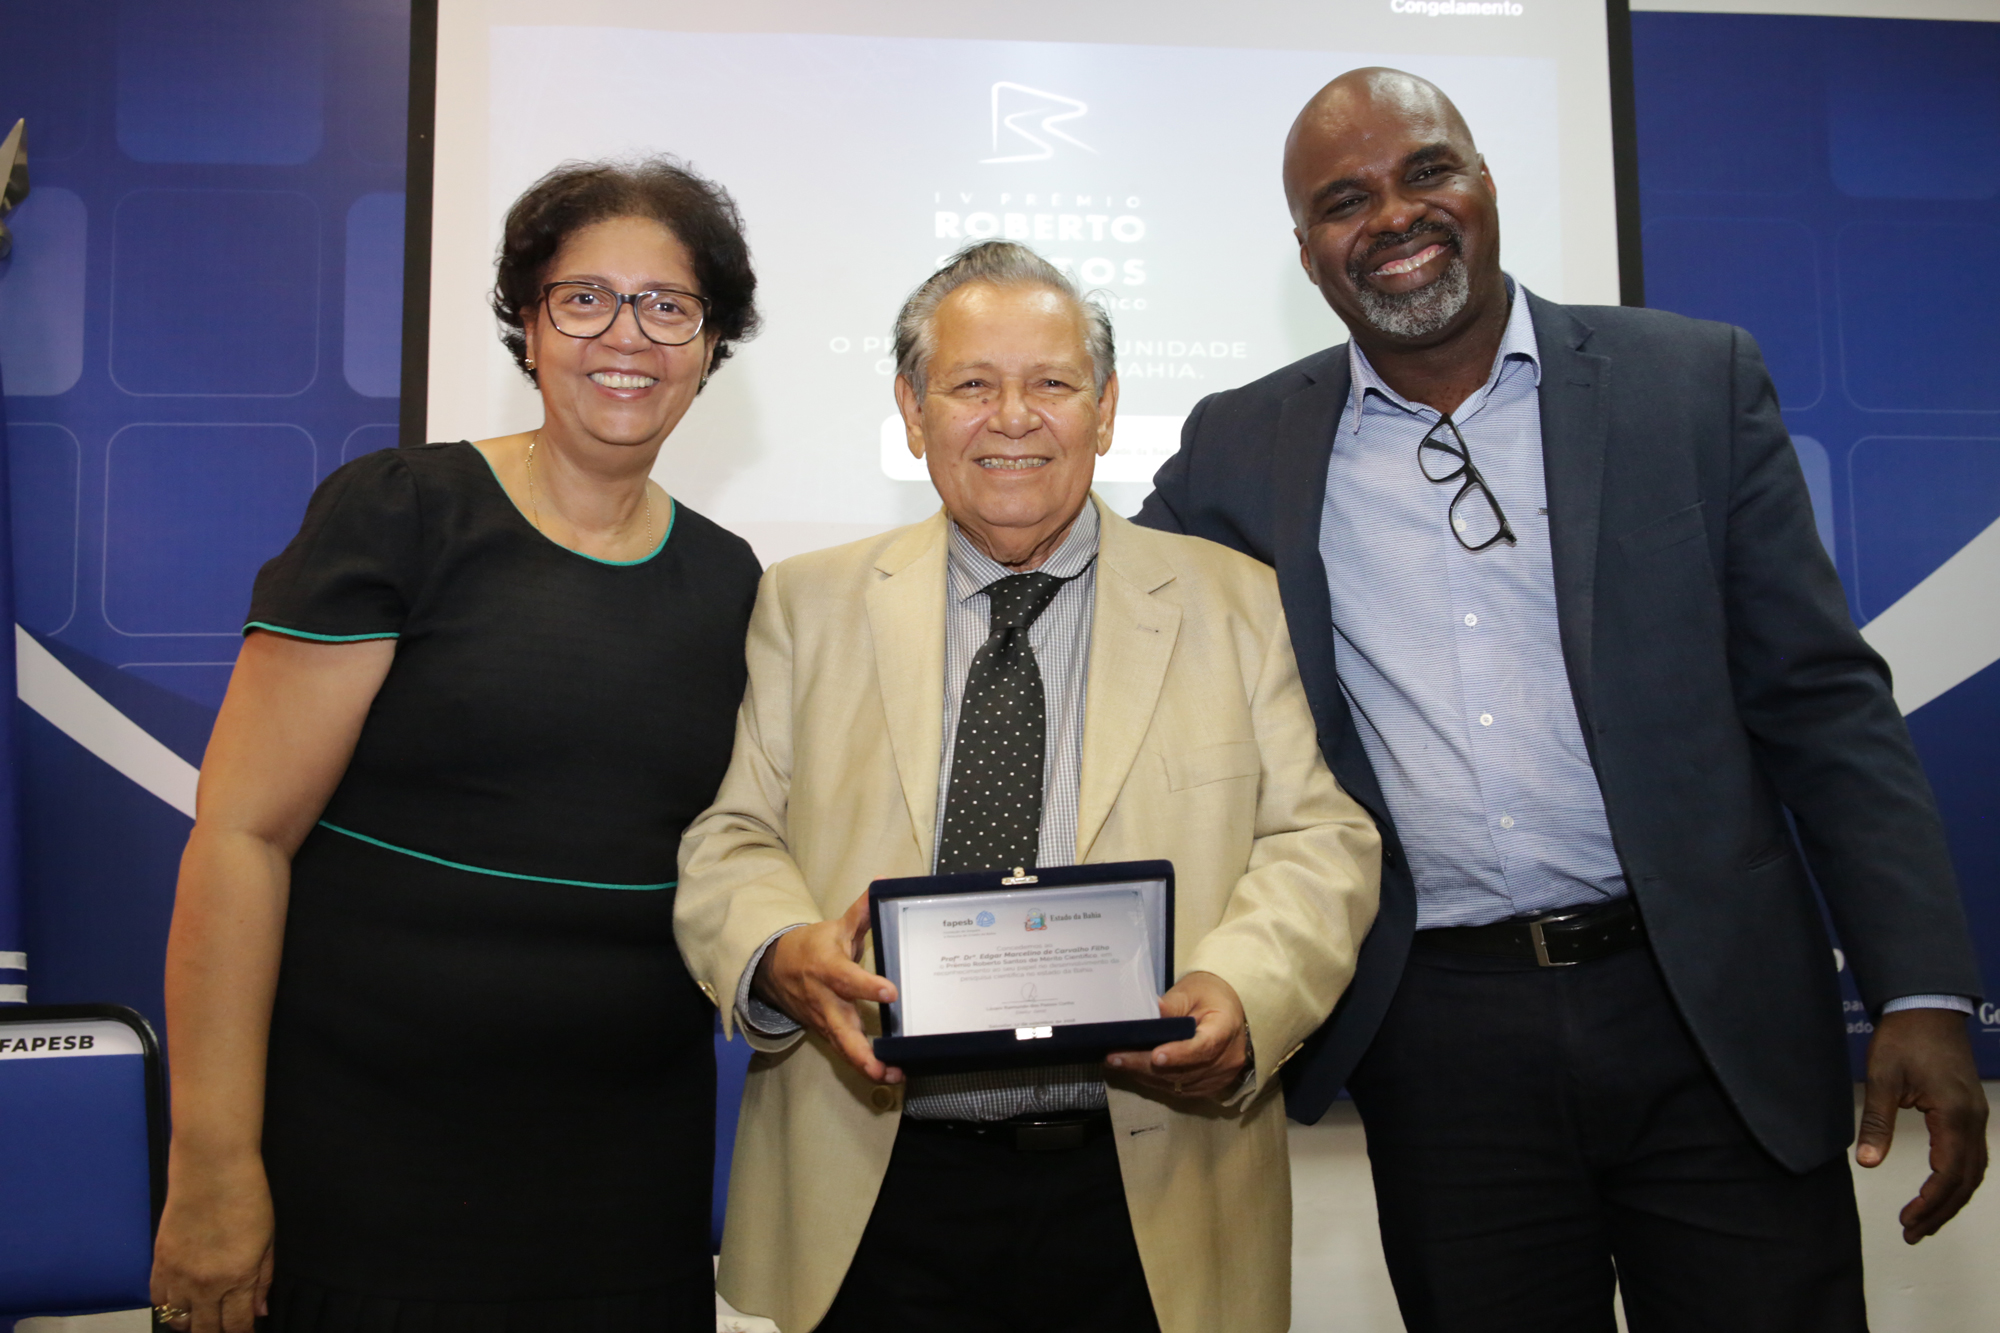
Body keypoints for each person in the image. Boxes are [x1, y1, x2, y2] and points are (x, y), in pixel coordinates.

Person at [1135, 68, 1988, 1332]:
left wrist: (1916, 987)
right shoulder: (1238, 445)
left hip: (1707, 1013)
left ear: (1484, 183)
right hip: (1440, 1037)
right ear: (1306, 253)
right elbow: (1118, 622)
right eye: (1343, 201)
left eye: (1426, 171)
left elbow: (1822, 704)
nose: (1393, 215)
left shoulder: (1687, 382)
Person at [672, 240, 1380, 1333]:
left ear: (1106, 410)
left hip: (1152, 1186)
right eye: (970, 384)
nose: (1013, 418)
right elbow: (732, 836)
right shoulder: (806, 603)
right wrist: (777, 949)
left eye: (1051, 382)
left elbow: (1318, 839)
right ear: (911, 412)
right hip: (876, 1186)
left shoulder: (1239, 603)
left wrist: (1245, 987)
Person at [148, 157, 764, 1333]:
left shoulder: (730, 578)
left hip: (623, 1189)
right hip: (363, 1168)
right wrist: (211, 1164)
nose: (625, 335)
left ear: (709, 343)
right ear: (528, 324)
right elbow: (239, 841)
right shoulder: (399, 511)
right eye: (582, 299)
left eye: (666, 305)